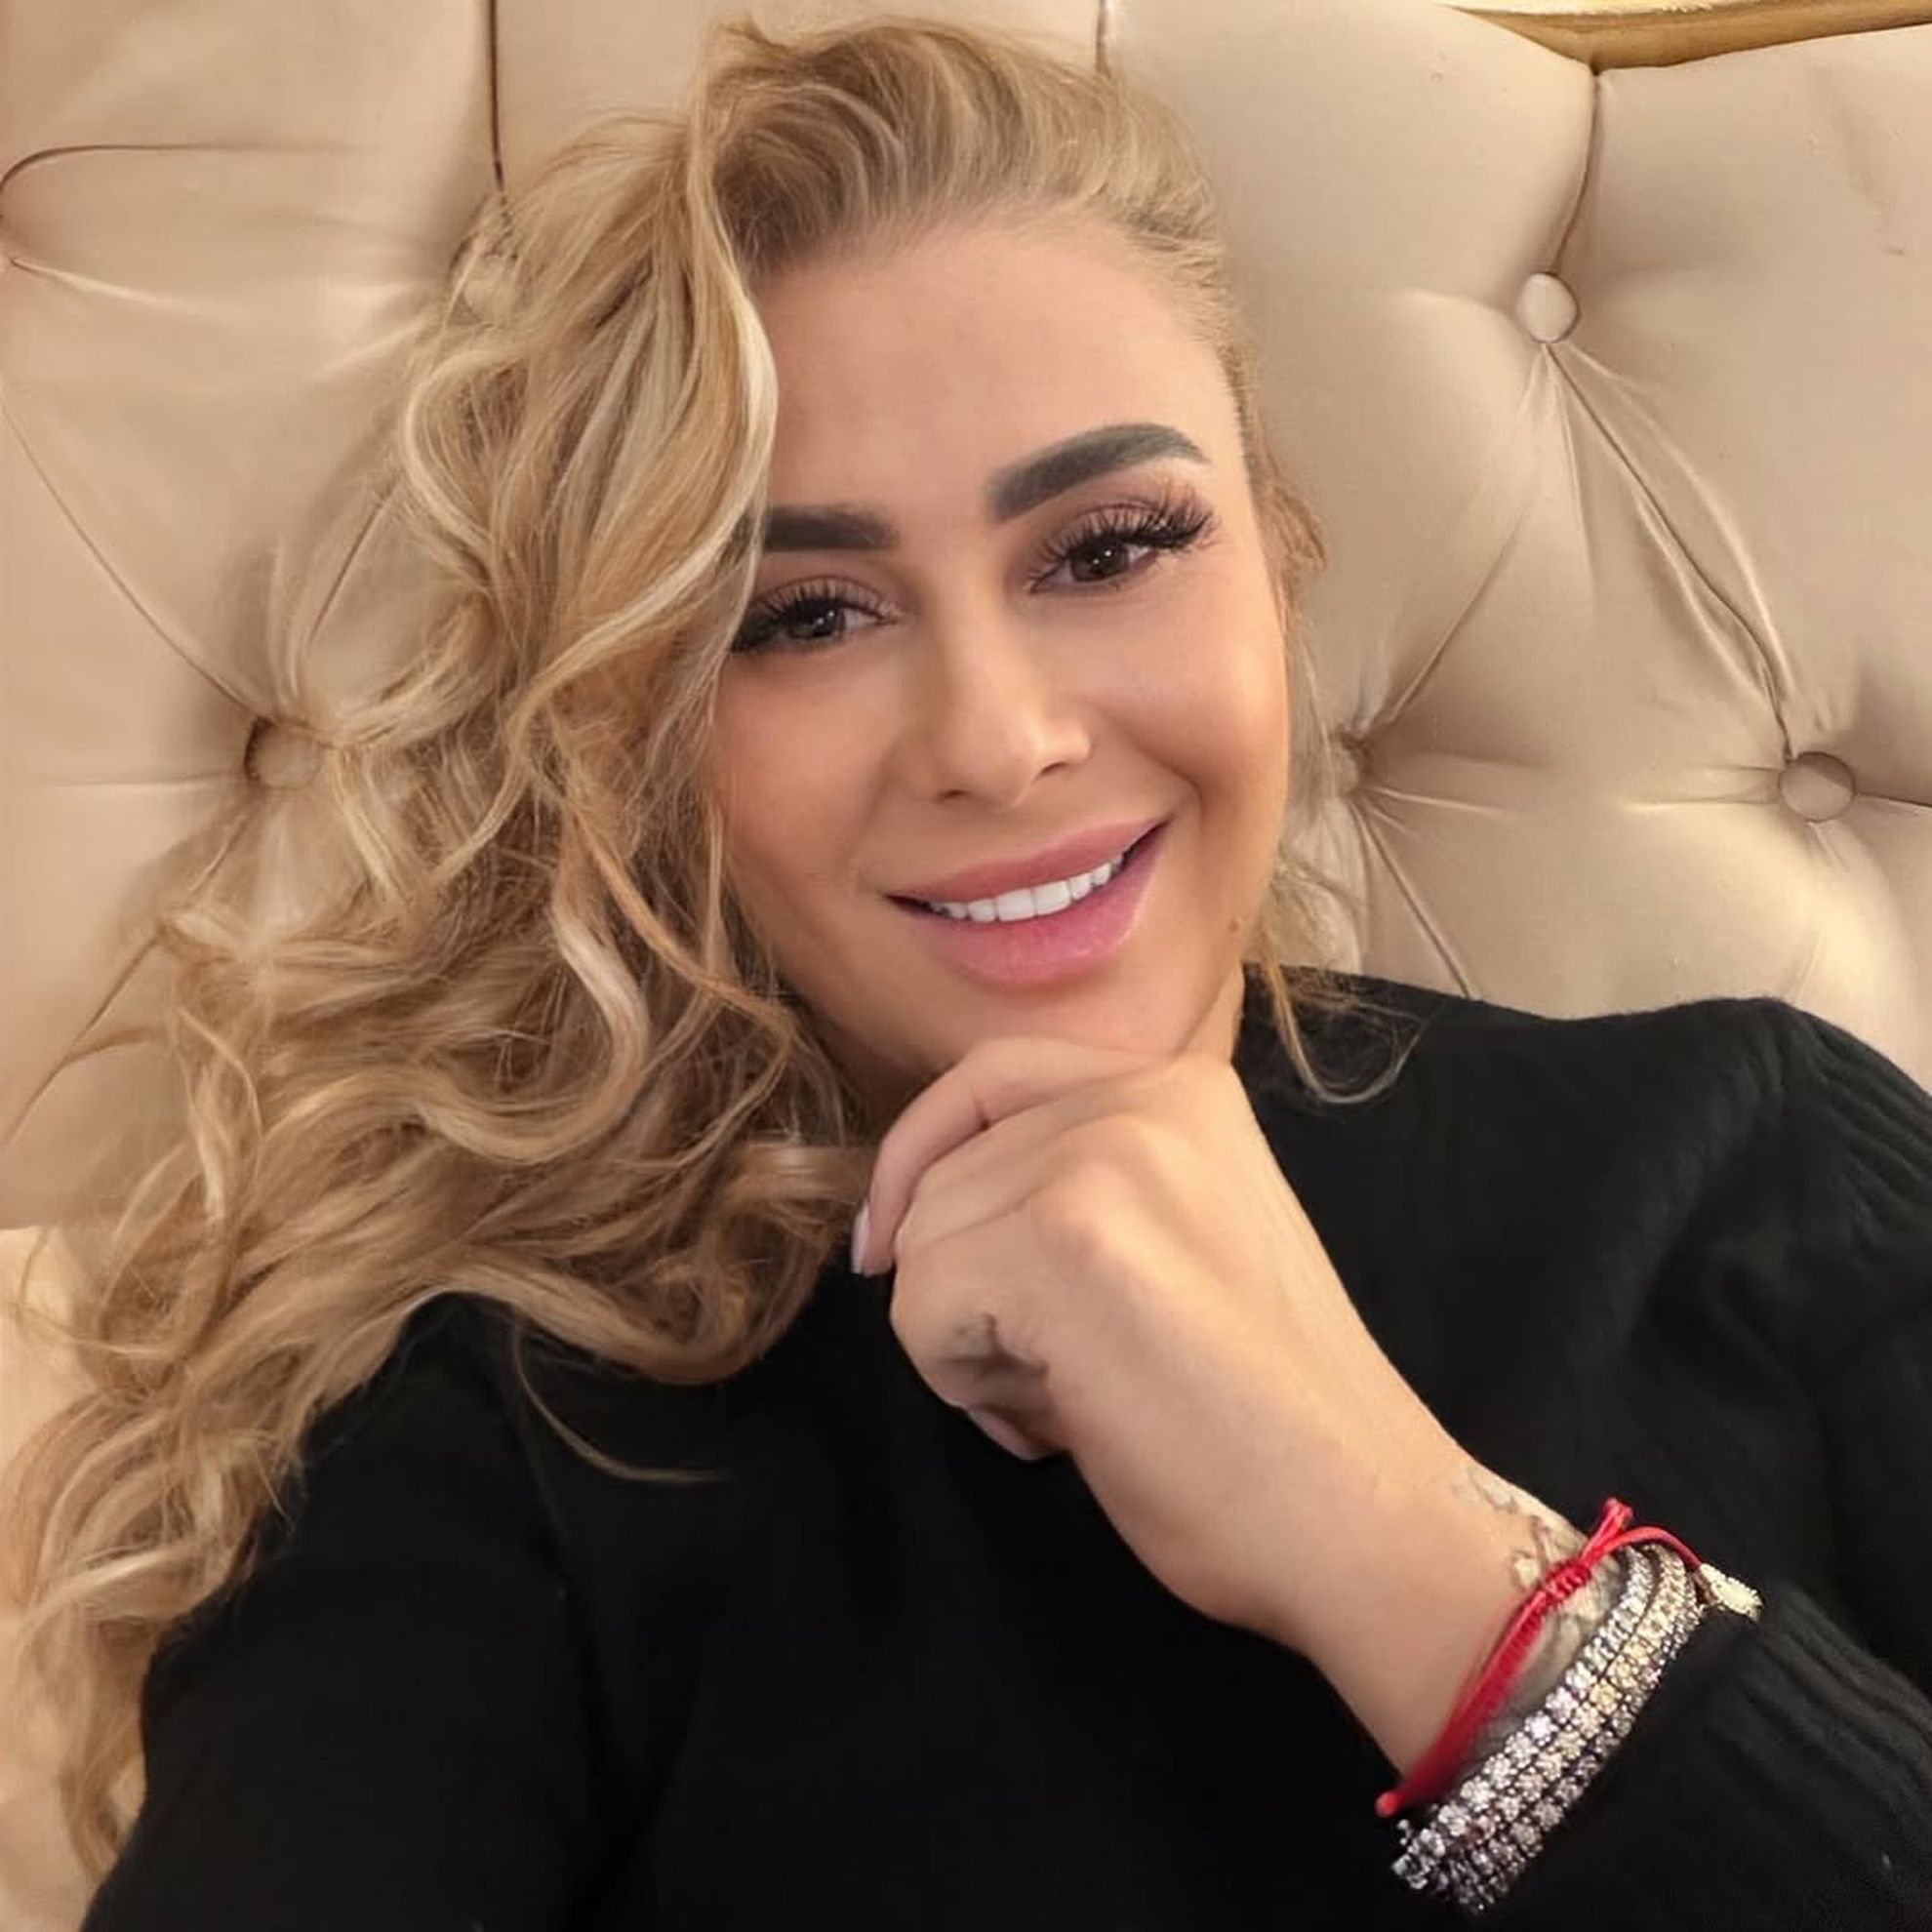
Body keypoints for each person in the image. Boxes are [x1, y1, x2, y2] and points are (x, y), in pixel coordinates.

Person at [4, 11, 1928, 1928]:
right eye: (804, 616)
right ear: (646, 732)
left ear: (1280, 554)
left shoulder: (1754, 1153)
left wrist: (1414, 1561)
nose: (998, 743)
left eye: (1108, 549)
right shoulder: (514, 1443)